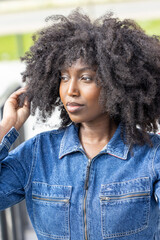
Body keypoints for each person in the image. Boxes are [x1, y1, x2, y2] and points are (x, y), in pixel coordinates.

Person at [0, 9, 160, 240]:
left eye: (86, 78)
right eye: (64, 77)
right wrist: (7, 126)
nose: (70, 91)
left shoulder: (151, 156)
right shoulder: (38, 154)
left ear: (117, 84)